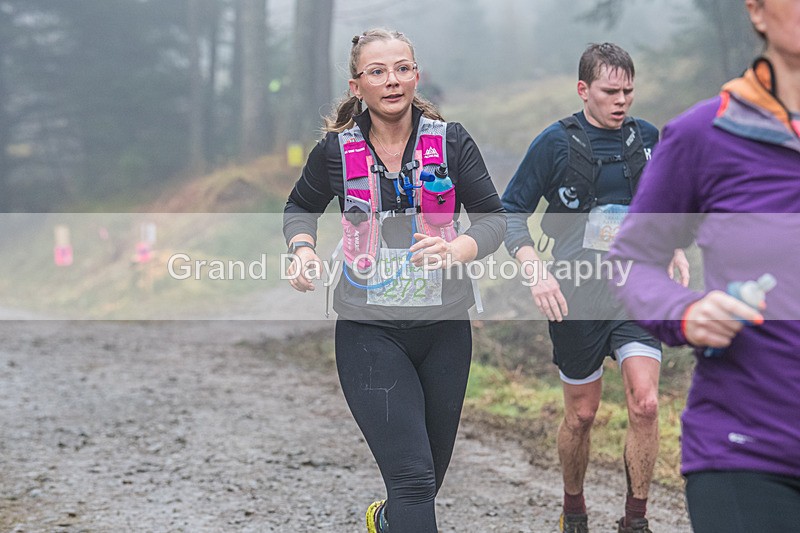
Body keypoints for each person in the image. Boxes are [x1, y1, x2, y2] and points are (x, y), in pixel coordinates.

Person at [282, 29, 505, 533]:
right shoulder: (336, 150)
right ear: (357, 85)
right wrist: (302, 249)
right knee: (413, 479)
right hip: (369, 331)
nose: (392, 81)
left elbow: (494, 219)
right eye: (378, 72)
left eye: (402, 69)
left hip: (444, 328)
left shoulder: (451, 141)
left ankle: (385, 522)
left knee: (425, 483)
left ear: (416, 76)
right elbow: (299, 206)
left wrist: (457, 249)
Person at [608, 1, 800, 531]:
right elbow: (631, 260)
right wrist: (685, 311)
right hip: (750, 454)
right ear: (757, 10)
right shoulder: (705, 134)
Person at [502, 43, 689, 533]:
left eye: (628, 91)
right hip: (576, 294)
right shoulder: (554, 144)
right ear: (583, 90)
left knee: (646, 403)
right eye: (610, 91)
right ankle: (575, 510)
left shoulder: (647, 139)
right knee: (582, 415)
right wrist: (535, 270)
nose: (621, 100)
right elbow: (509, 212)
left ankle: (636, 520)